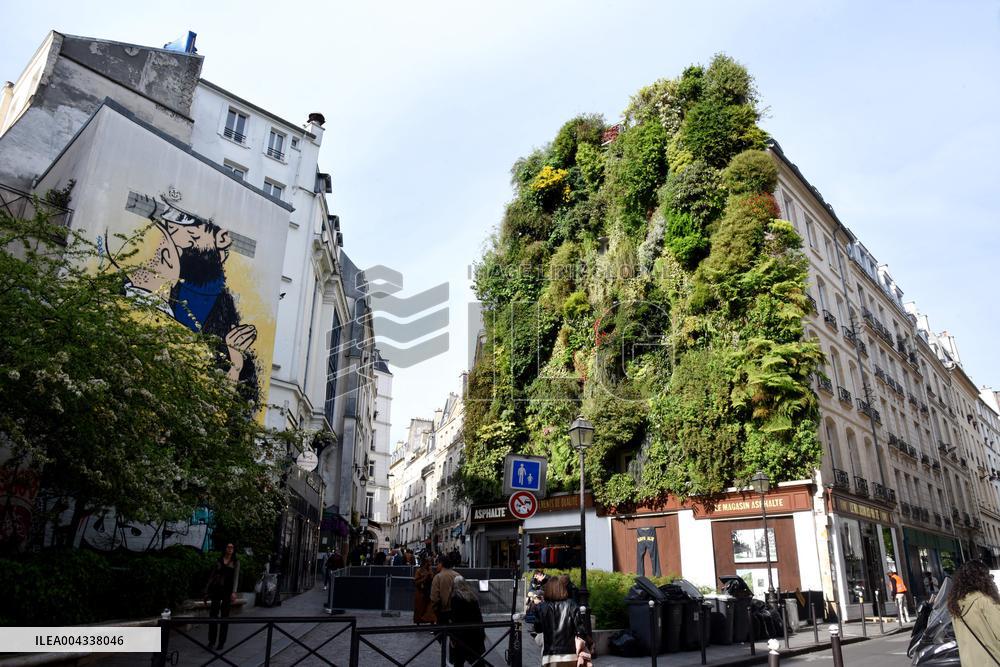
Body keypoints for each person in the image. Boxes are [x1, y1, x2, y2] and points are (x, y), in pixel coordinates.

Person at [947, 560, 1000, 664]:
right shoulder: (985, 601)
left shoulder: (955, 605)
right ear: (982, 578)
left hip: (968, 662)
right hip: (991, 661)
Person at [533, 575, 588, 667]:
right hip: (570, 655)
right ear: (563, 589)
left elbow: (538, 629)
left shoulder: (541, 607)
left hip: (550, 656)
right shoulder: (571, 604)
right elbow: (581, 630)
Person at [204, 543, 240, 651]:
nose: (230, 549)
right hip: (216, 591)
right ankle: (211, 641)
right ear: (225, 548)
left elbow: (236, 577)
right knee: (213, 615)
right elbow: (212, 576)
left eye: (232, 547)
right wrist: (206, 591)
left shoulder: (235, 562)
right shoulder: (219, 560)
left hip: (227, 592)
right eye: (228, 547)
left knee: (225, 617)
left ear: (234, 550)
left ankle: (221, 642)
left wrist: (234, 592)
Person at [449, 575, 486, 667]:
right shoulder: (472, 596)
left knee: (459, 661)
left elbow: (455, 618)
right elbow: (479, 616)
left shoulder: (455, 598)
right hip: (474, 633)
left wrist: (453, 637)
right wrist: (482, 631)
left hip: (462, 635)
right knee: (476, 659)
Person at [430, 553, 460, 626]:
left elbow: (434, 597)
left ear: (441, 564)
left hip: (443, 611)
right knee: (454, 634)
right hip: (457, 610)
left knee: (442, 634)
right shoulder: (458, 575)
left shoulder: (438, 577)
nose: (436, 566)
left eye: (437, 564)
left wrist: (435, 609)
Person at [414, 560, 437, 625]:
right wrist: (424, 577)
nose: (429, 565)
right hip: (421, 591)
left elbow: (433, 579)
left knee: (430, 608)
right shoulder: (419, 571)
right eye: (427, 564)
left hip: (429, 591)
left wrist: (430, 574)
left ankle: (431, 621)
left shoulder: (430, 570)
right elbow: (416, 581)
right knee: (420, 607)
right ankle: (419, 621)